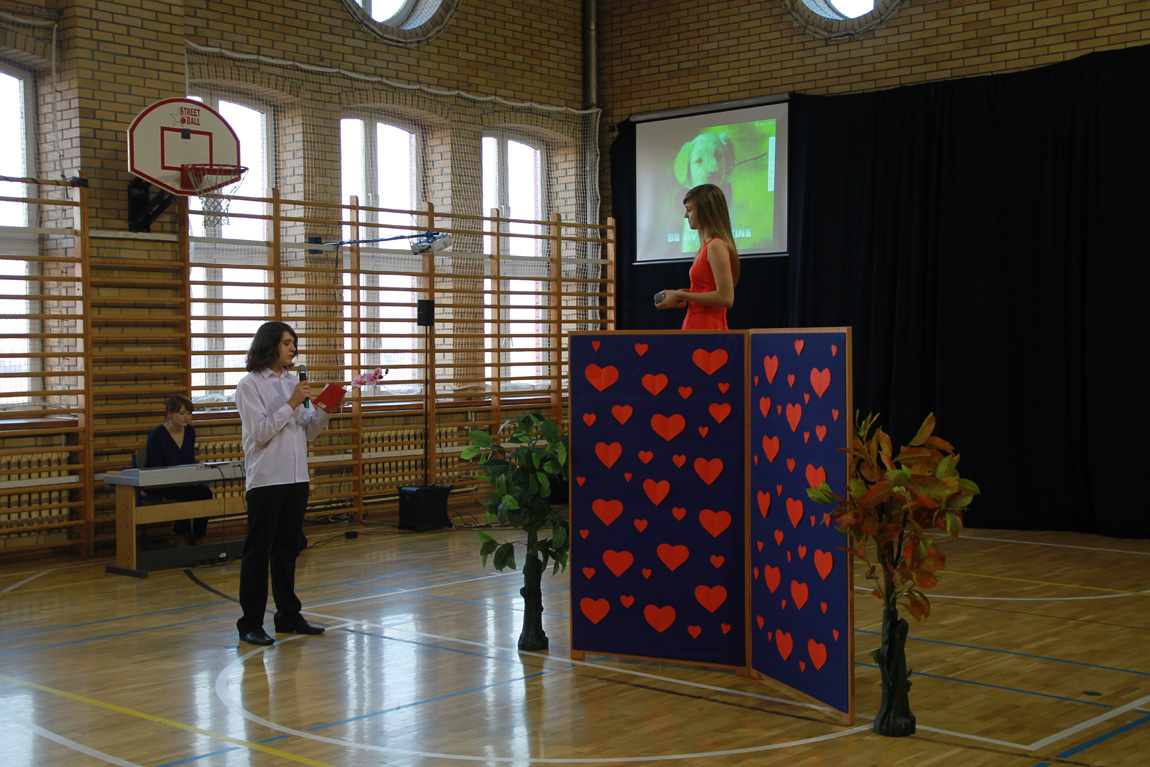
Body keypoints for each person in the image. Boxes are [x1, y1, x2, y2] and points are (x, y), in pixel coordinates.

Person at [235, 321, 331, 646]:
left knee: (288, 549)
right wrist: (291, 403)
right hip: (267, 478)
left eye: (294, 343)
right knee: (258, 552)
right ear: (270, 344)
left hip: (296, 476)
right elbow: (261, 433)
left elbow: (307, 430)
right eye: (287, 343)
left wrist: (324, 410)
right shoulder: (249, 385)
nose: (293, 348)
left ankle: (288, 615)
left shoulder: (293, 381)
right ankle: (250, 622)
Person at [655, 183, 740, 329]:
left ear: (705, 211)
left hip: (708, 328)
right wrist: (684, 294)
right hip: (698, 325)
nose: (685, 215)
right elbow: (709, 291)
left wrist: (683, 296)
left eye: (689, 210)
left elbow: (726, 298)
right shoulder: (707, 246)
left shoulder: (716, 245)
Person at [145, 394, 211, 546]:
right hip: (158, 481)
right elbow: (154, 465)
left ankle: (198, 535)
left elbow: (189, 460)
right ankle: (180, 534)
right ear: (170, 414)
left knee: (205, 492)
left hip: (182, 479)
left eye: (189, 413)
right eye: (182, 413)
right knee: (187, 492)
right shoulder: (157, 434)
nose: (186, 417)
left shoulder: (189, 432)